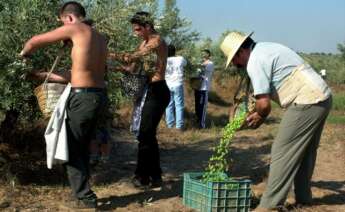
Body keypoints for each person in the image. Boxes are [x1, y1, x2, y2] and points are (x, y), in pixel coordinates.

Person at [220, 32, 332, 211]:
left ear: (240, 52)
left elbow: (263, 105)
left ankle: (270, 206)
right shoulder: (266, 48)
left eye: (234, 60)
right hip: (322, 97)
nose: (235, 65)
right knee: (305, 151)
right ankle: (303, 198)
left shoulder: (255, 61)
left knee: (281, 151)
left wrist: (260, 116)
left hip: (306, 100)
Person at [20, 1, 108, 209]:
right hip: (98, 96)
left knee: (73, 148)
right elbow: (76, 74)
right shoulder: (99, 37)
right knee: (83, 146)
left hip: (83, 98)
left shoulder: (74, 28)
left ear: (68, 18)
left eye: (62, 22)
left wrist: (22, 57)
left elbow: (34, 41)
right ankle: (84, 193)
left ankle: (85, 198)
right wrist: (41, 75)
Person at [109, 11, 170, 189]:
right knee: (147, 135)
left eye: (137, 29)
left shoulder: (156, 41)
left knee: (145, 133)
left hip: (158, 90)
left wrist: (110, 53)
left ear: (148, 26)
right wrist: (115, 68)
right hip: (148, 91)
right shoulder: (142, 43)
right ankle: (155, 175)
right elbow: (131, 67)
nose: (135, 32)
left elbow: (134, 57)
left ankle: (142, 176)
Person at [164, 44, 187, 131]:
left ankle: (170, 125)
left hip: (167, 84)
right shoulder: (180, 59)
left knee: (169, 105)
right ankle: (179, 126)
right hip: (177, 84)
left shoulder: (165, 60)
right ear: (175, 51)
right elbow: (186, 63)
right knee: (179, 105)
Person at [194, 49, 214, 129]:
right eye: (202, 53)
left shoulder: (210, 64)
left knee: (203, 107)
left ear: (209, 55)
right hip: (197, 87)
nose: (203, 55)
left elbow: (202, 69)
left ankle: (202, 125)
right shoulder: (200, 63)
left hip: (204, 88)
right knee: (197, 106)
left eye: (205, 53)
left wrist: (197, 65)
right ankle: (197, 122)